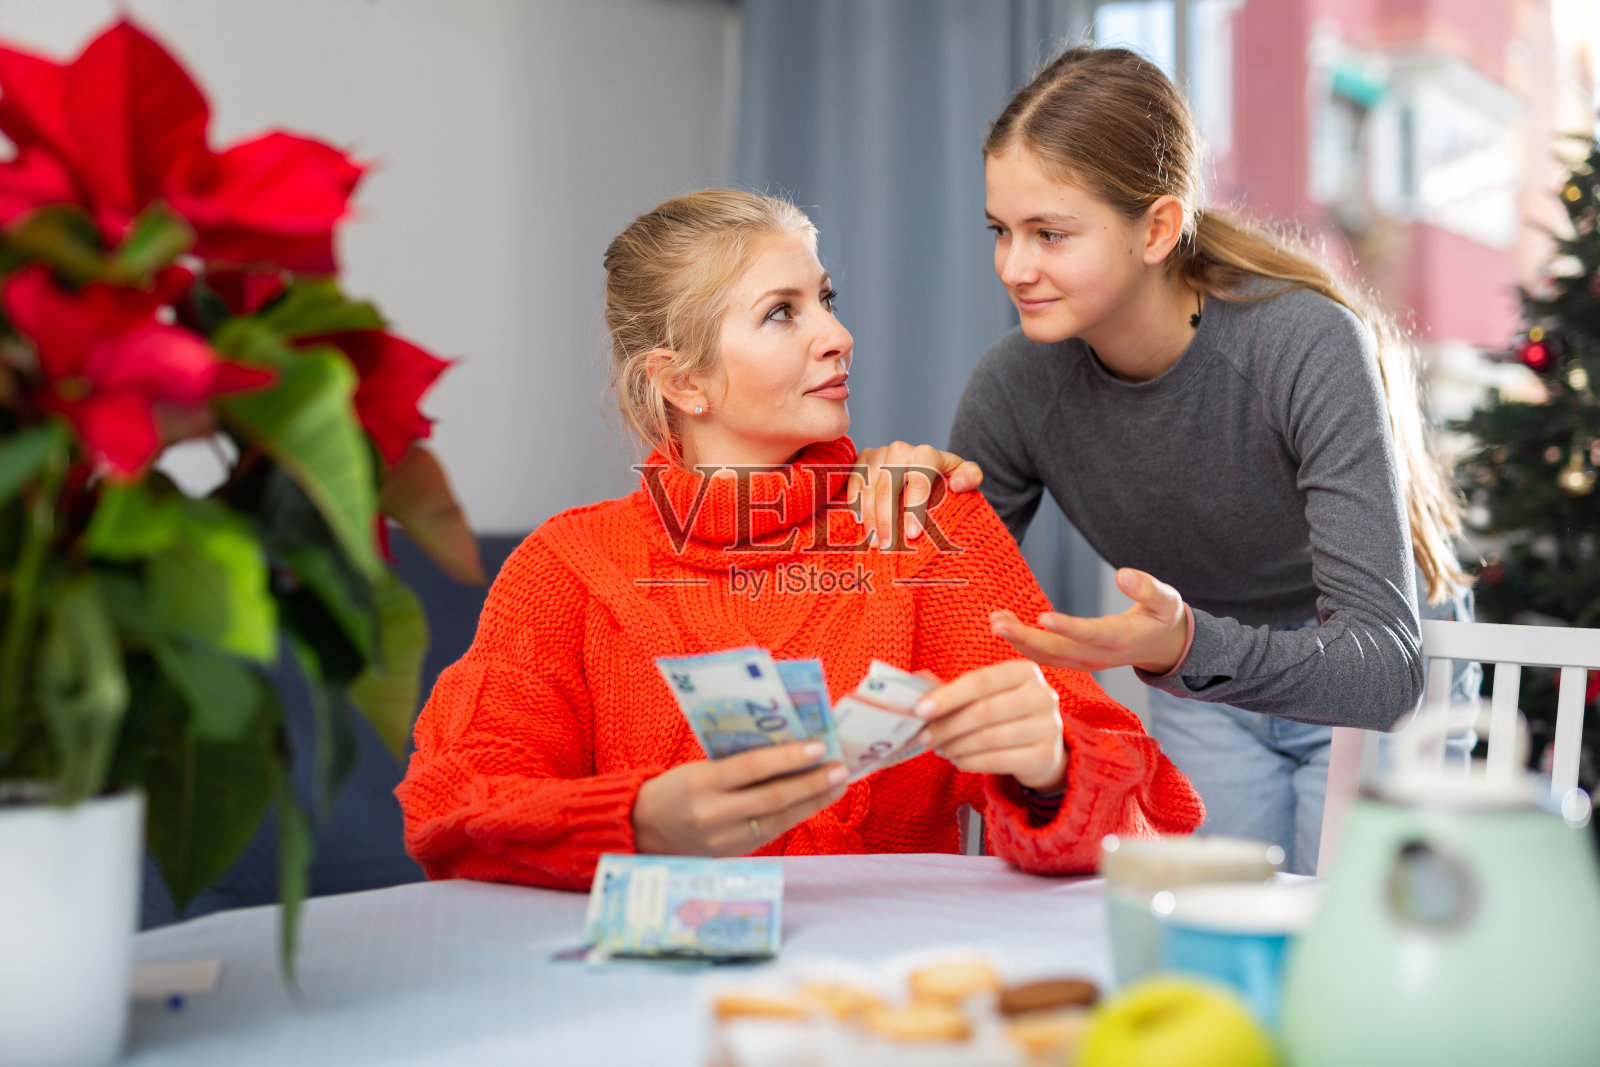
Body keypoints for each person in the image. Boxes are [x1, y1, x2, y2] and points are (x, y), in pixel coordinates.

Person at [394, 190, 1202, 890]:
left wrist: (1055, 769)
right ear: (682, 381)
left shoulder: (921, 524)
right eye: (783, 312)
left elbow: (1151, 829)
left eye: (826, 297)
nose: (838, 335)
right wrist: (638, 819)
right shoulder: (565, 569)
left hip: (877, 1004)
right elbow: (451, 811)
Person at [853, 45, 1474, 874]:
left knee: (1347, 939)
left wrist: (1183, 647)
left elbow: (1387, 670)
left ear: (1157, 227)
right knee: (1217, 934)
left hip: (1358, 659)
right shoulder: (1016, 384)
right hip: (1205, 679)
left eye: (1050, 233)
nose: (1013, 266)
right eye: (1002, 231)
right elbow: (945, 606)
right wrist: (913, 513)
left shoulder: (1301, 343)